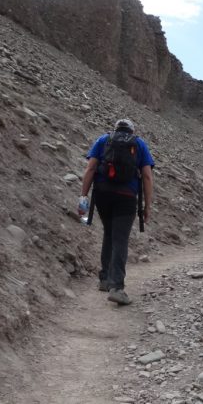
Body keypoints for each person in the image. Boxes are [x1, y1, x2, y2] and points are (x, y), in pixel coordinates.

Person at [78, 119, 154, 306]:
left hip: (103, 194)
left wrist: (83, 196)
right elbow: (147, 176)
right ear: (132, 130)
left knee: (109, 233)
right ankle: (117, 287)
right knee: (120, 238)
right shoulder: (139, 144)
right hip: (127, 197)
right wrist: (147, 206)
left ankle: (105, 279)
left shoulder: (104, 139)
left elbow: (91, 168)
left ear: (116, 128)